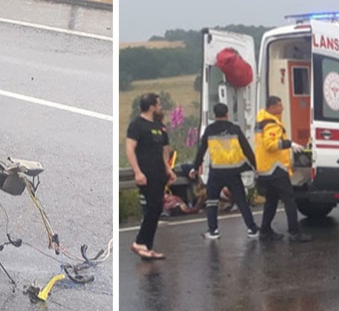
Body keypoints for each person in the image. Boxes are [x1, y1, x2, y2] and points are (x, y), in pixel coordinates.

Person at [191, 102, 260, 240]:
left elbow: (202, 150)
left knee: (212, 202)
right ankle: (252, 229)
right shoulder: (234, 129)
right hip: (233, 172)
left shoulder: (210, 130)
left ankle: (213, 231)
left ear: (214, 115)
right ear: (227, 113)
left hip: (216, 172)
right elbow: (246, 148)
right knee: (241, 201)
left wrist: (195, 167)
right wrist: (255, 165)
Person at [254, 95, 311, 242]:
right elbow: (270, 144)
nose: (282, 108)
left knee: (271, 200)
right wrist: (289, 144)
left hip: (265, 167)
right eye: (279, 105)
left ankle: (265, 231)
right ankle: (294, 232)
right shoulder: (272, 124)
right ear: (272, 107)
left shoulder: (261, 122)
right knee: (289, 199)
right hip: (275, 168)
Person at [126, 93, 175, 259]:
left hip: (159, 173)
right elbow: (130, 149)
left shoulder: (158, 126)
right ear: (152, 106)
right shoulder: (137, 125)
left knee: (157, 209)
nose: (160, 108)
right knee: (152, 208)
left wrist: (168, 169)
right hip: (145, 174)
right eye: (158, 105)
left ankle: (146, 246)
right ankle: (140, 242)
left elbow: (162, 151)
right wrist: (137, 172)